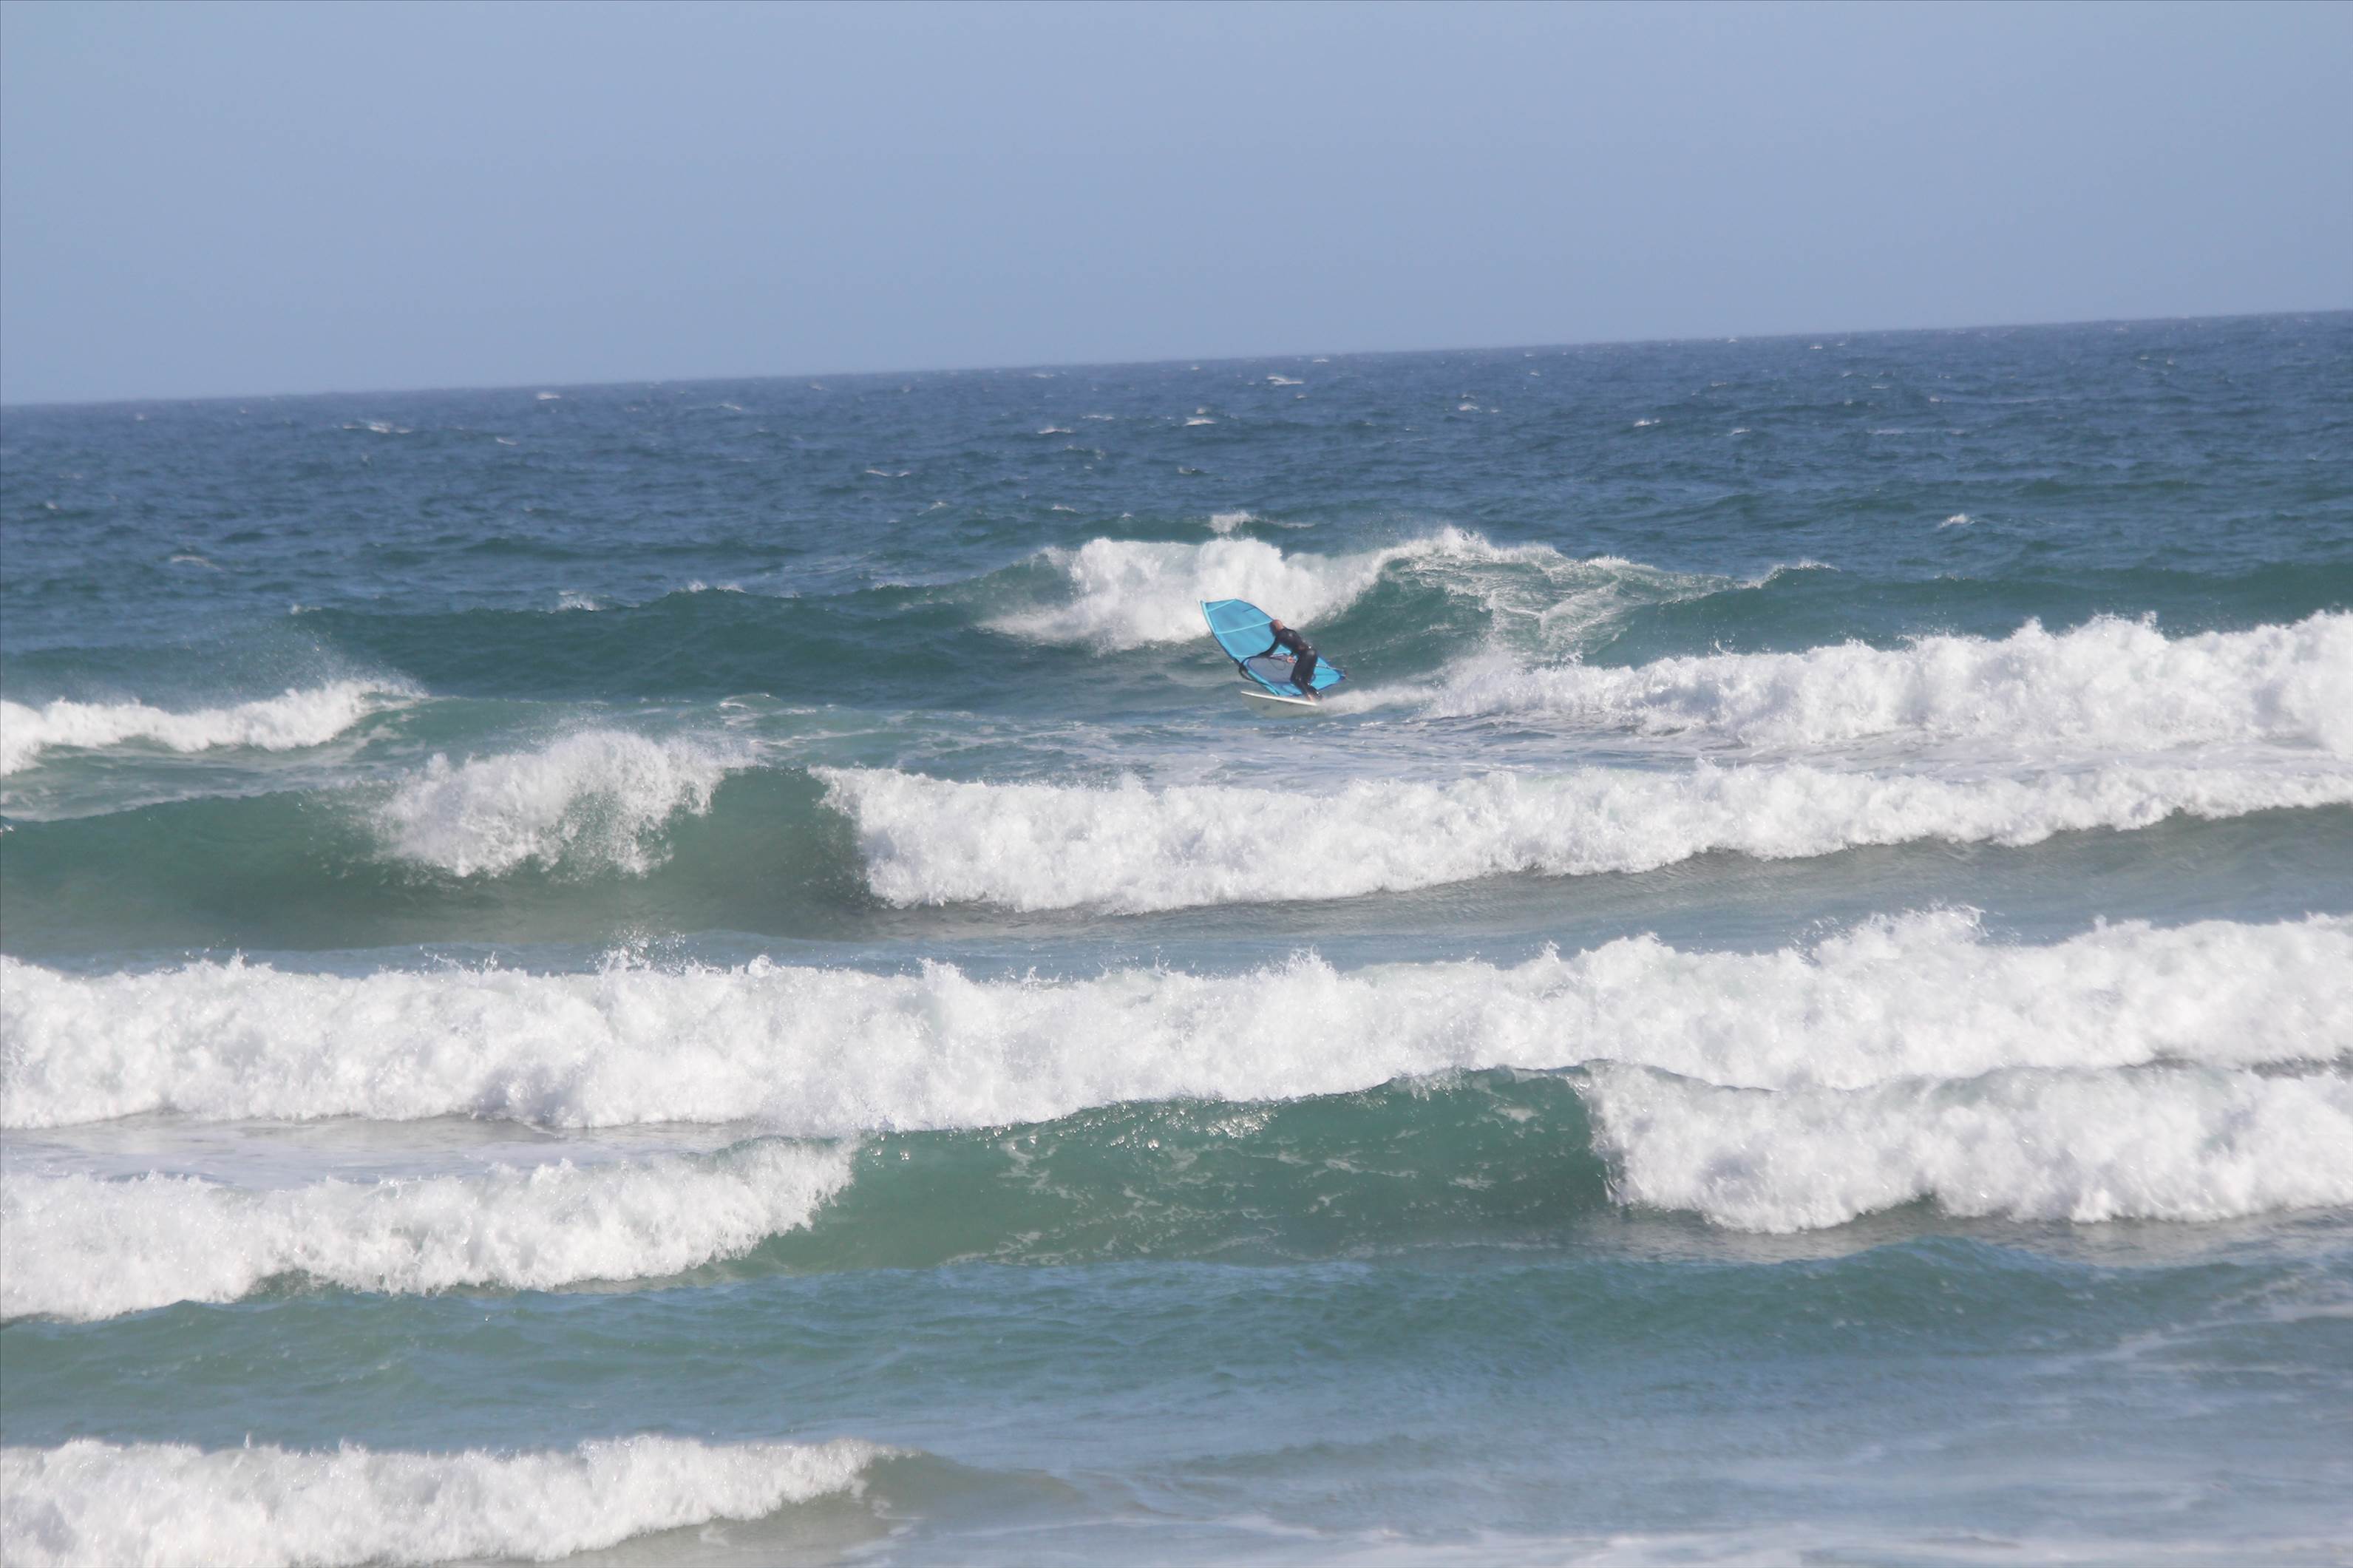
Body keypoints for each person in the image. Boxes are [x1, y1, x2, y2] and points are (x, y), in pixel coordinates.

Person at [1263, 617, 1320, 698]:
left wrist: (1257, 657)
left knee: (1295, 679)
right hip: (1313, 653)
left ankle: (1309, 698)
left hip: (1306, 654)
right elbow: (1299, 644)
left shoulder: (1280, 635)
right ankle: (1319, 698)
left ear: (1275, 628)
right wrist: (1291, 656)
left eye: (1271, 629)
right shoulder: (1292, 632)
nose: (1271, 631)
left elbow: (1270, 652)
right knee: (1305, 682)